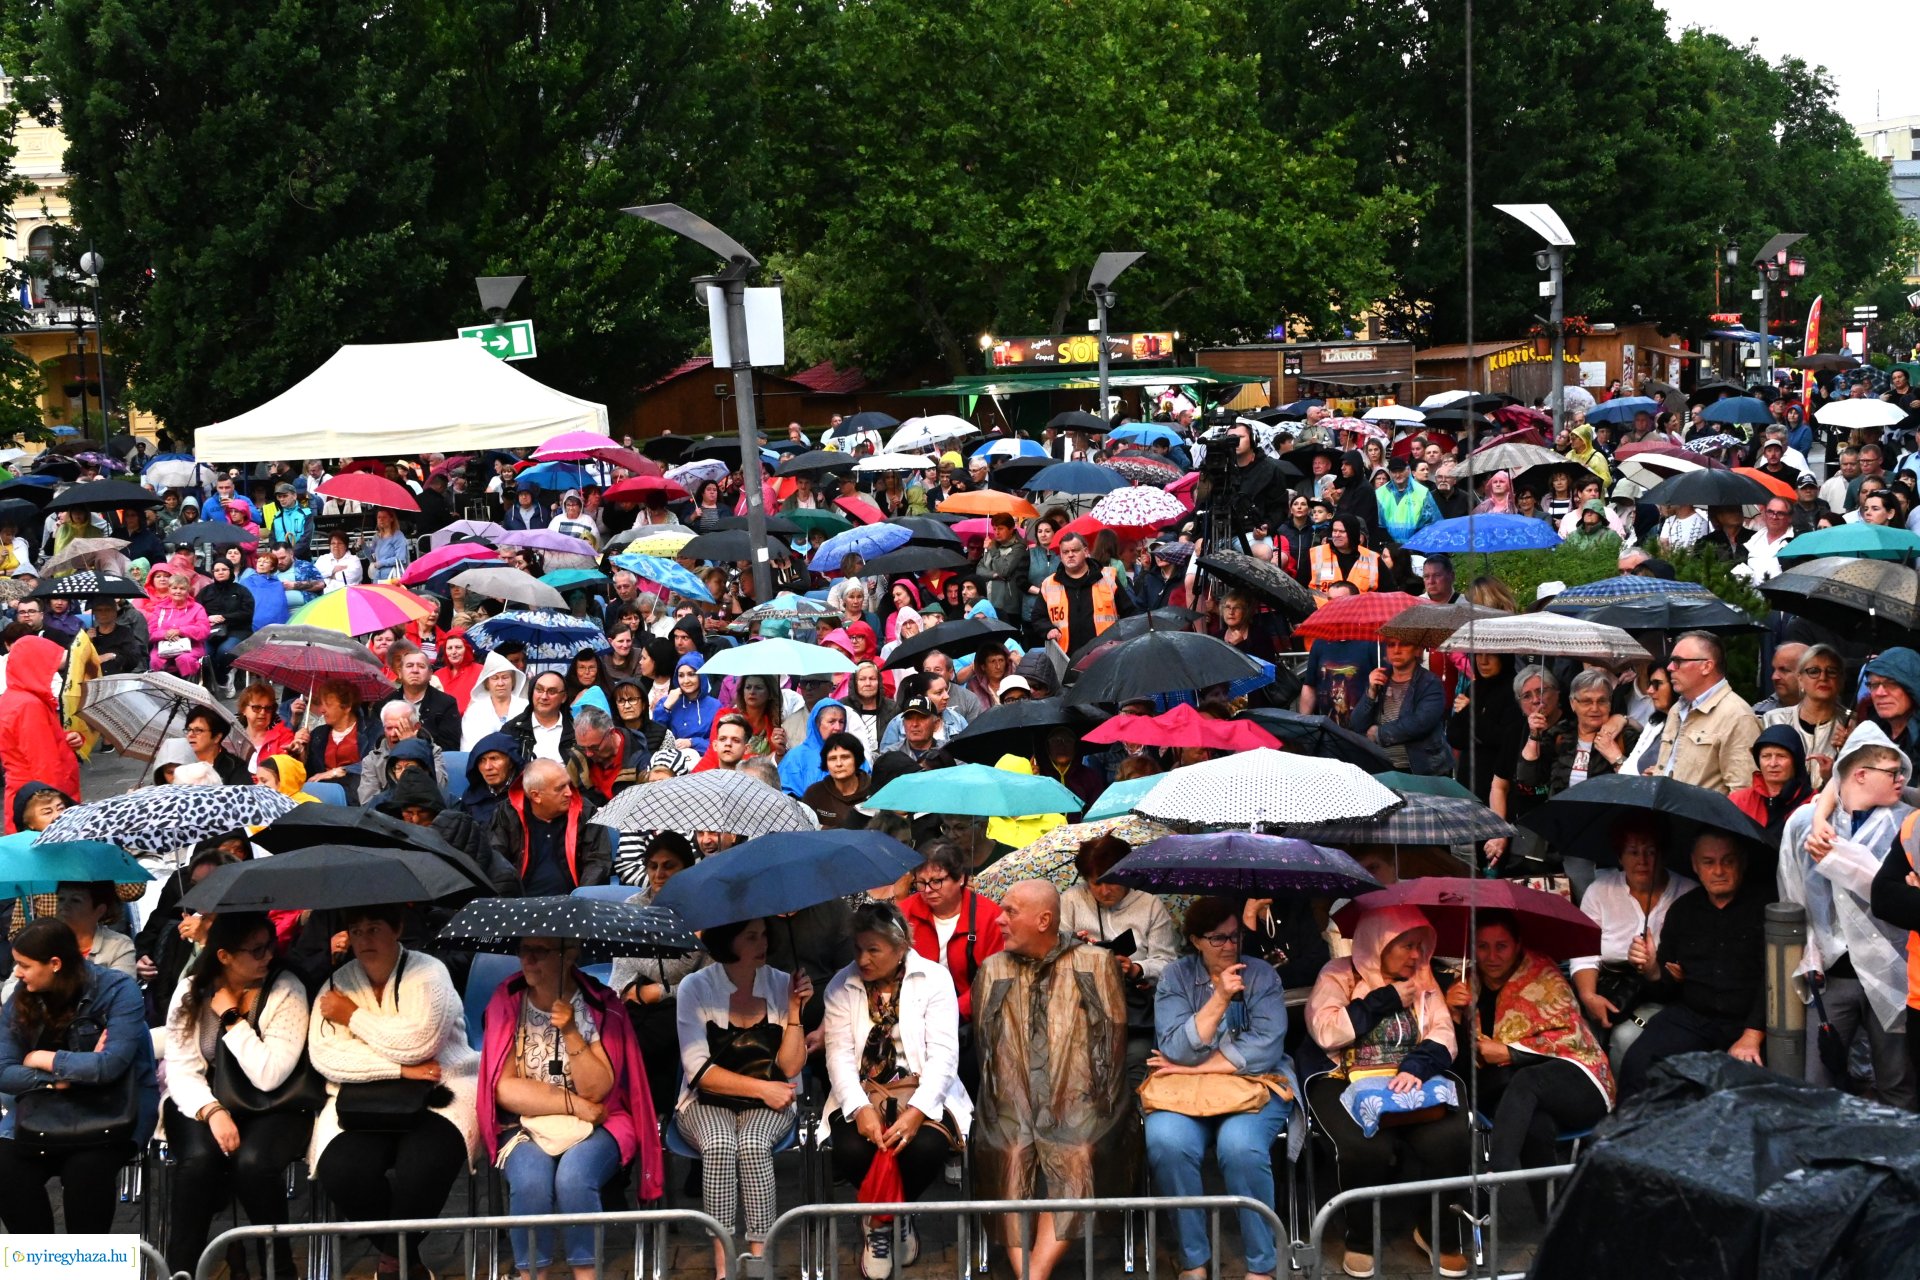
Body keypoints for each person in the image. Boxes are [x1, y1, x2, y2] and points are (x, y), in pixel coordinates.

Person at [971, 880, 1133, 1280]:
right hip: (1011, 1097)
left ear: (1044, 920)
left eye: (1010, 911)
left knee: (1076, 1150)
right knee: (1009, 1151)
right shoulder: (992, 969)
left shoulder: (1094, 963)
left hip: (1082, 1096)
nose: (999, 919)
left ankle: (1032, 1275)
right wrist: (1011, 1104)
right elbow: (988, 1055)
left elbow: (1110, 1048)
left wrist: (1088, 1104)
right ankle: (1031, 1274)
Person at [478, 933, 663, 1280]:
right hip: (525, 1123)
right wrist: (572, 1104)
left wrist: (572, 1031)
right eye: (524, 950)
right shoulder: (508, 1000)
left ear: (571, 954)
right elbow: (503, 1089)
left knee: (574, 1178)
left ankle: (585, 1274)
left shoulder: (600, 1003)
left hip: (603, 1122)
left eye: (540, 951)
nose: (528, 959)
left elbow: (600, 1090)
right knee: (531, 1182)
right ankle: (532, 1274)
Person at [309, 904, 478, 1280]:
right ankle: (406, 1259)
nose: (364, 939)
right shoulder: (336, 984)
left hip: (441, 1087)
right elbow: (326, 1056)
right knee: (341, 1170)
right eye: (356, 931)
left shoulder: (429, 972)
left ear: (397, 928)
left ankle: (392, 1261)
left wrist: (352, 1016)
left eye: (373, 928)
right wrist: (399, 1069)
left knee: (422, 1167)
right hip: (361, 1100)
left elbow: (419, 1041)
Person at [1303, 904, 1471, 1278]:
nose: (1415, 955)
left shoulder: (1424, 977)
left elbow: (1443, 1031)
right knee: (1366, 1147)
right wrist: (1387, 999)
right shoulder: (1339, 974)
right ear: (1378, 943)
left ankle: (1436, 1232)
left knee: (1451, 1137)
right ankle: (1360, 1239)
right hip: (1344, 1080)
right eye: (1405, 945)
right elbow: (1326, 1031)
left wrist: (1416, 1065)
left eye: (1419, 945)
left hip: (1411, 1080)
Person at [1142, 896, 1299, 1280]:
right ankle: (1194, 1259)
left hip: (1255, 1084)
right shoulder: (1175, 978)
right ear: (1195, 940)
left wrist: (1194, 1069)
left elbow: (1264, 1048)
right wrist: (1219, 998)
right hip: (1184, 1089)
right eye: (1217, 939)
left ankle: (1262, 1264)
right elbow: (1175, 1045)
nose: (1229, 946)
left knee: (1239, 1148)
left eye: (1233, 937)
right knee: (1166, 1141)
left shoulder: (1263, 975)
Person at [822, 902, 971, 1279]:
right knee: (853, 1148)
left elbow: (943, 1057)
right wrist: (859, 1109)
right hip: (863, 1088)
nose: (863, 959)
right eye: (858, 949)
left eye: (874, 950)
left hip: (922, 1087)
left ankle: (894, 1213)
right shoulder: (842, 984)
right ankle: (880, 1224)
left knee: (923, 1146)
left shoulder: (934, 979)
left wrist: (917, 1111)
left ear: (901, 946)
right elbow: (838, 1057)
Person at [160, 912, 315, 1275]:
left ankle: (278, 1269)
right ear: (224, 955)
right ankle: (182, 1270)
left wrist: (231, 1018)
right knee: (198, 1162)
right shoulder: (190, 989)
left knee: (252, 1164)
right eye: (256, 950)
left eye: (270, 946)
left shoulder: (286, 987)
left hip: (275, 1104)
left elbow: (269, 1074)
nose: (268, 957)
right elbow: (181, 1068)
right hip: (201, 1099)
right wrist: (212, 1111)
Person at [1778, 728, 1916, 1108]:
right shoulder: (1805, 823)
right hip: (1831, 974)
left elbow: (1888, 896)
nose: (1902, 779)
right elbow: (1792, 893)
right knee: (1818, 1078)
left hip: (1894, 973)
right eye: (1892, 772)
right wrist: (1808, 953)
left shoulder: (1908, 822)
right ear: (1860, 774)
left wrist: (1837, 856)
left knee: (1896, 1080)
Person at [0, 918, 160, 1235]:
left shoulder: (117, 990)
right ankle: (41, 1265)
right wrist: (54, 1079)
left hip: (112, 1110)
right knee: (5, 1169)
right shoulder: (23, 994)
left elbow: (109, 1067)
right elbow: (3, 1072)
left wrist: (45, 1058)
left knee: (85, 1173)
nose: (16, 973)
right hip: (41, 1109)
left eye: (24, 965)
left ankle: (85, 1266)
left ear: (55, 964)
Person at [1444, 913, 1612, 1208]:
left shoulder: (1543, 975)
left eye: (1502, 946)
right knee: (1536, 1126)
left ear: (1518, 945)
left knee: (1527, 1079)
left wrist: (1511, 1053)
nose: (1492, 956)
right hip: (1520, 1099)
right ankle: (1552, 1223)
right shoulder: (1466, 986)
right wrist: (1455, 1016)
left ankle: (1487, 1188)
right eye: (1482, 947)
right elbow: (1463, 1065)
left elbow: (1568, 1039)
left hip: (1579, 1080)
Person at [674, 917, 813, 1274]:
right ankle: (724, 1265)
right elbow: (698, 1072)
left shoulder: (782, 984)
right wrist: (762, 1089)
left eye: (764, 934)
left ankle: (758, 1261)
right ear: (727, 941)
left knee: (752, 1144)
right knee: (720, 1144)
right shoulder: (695, 986)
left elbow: (791, 1066)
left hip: (773, 1095)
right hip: (707, 1100)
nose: (761, 942)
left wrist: (795, 1012)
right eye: (751, 936)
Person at [1618, 834, 1768, 1094]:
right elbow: (1665, 990)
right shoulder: (1683, 910)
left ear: (1742, 862)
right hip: (1692, 1016)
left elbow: (1776, 980)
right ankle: (1634, 1133)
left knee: (1743, 1086)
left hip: (1747, 1020)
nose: (1718, 871)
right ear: (1695, 866)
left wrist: (1752, 1034)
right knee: (1639, 1062)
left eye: (1727, 861)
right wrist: (1653, 969)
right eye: (1708, 862)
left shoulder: (1767, 906)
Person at [1059, 834, 1178, 1086]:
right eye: (1096, 883)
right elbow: (1053, 952)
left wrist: (1137, 968)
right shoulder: (1071, 900)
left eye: (1112, 881)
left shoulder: (1149, 905)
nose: (1104, 890)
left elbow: (1168, 961)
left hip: (1135, 1013)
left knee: (1135, 1068)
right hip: (1084, 1011)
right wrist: (1071, 945)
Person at [1569, 816, 1698, 1038]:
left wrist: (1662, 969)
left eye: (1650, 851)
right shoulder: (1600, 890)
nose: (1642, 861)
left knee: (1627, 1037)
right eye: (1633, 852)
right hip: (1608, 985)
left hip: (1662, 993)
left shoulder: (1687, 892)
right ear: (1620, 856)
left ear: (1663, 854)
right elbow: (1584, 952)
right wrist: (1589, 996)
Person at [1648, 631, 1759, 794]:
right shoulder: (1677, 709)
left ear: (1706, 666)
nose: (1670, 667)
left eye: (1678, 661)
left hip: (1704, 819)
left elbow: (1744, 793)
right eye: (1672, 661)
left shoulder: (1738, 715)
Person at [489, 759, 613, 894]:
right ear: (536, 796)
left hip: (572, 905)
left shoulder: (585, 811)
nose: (569, 793)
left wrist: (580, 899)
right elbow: (497, 863)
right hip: (521, 904)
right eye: (560, 788)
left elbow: (597, 863)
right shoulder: (507, 814)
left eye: (568, 785)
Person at [0, 634, 83, 831]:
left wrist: (66, 739)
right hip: (41, 802)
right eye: (48, 667)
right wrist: (61, 807)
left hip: (27, 796)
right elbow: (45, 764)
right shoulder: (29, 705)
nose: (53, 673)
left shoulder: (15, 698)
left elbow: (30, 745)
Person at [1351, 635, 1451, 776]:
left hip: (1421, 771)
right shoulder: (1380, 679)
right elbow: (1357, 724)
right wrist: (1371, 692)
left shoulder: (1430, 683)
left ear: (1417, 650)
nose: (1397, 650)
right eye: (1391, 644)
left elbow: (1420, 723)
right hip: (1383, 768)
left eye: (1404, 644)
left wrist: (1379, 733)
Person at [1036, 530, 1135, 654]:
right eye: (1065, 552)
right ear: (1060, 555)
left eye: (1075, 550)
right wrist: (1048, 629)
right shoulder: (1049, 583)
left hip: (1105, 653)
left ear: (1086, 551)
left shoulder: (1108, 577)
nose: (1070, 555)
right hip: (1066, 655)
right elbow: (1038, 617)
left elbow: (1129, 613)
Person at [1763, 644, 1849, 787]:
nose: (1823, 677)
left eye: (1832, 671)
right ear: (1800, 678)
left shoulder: (1851, 724)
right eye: (1814, 671)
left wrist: (1850, 748)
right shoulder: (1774, 719)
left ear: (1840, 680)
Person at [382, 644, 463, 752]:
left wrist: (414, 743)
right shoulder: (385, 704)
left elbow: (450, 748)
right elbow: (377, 743)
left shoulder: (446, 704)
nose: (415, 670)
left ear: (430, 674)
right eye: (409, 666)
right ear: (400, 673)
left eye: (421, 666)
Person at [52, 881, 138, 977]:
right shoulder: (46, 942)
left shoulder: (119, 947)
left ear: (100, 910)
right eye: (61, 899)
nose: (64, 906)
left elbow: (122, 989)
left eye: (76, 900)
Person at [197, 557, 256, 694]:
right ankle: (211, 682)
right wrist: (207, 618)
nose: (220, 572)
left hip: (237, 630)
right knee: (205, 654)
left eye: (224, 569)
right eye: (217, 570)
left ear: (231, 571)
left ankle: (225, 678)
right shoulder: (205, 592)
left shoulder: (241, 591)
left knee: (225, 651)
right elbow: (196, 611)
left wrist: (225, 618)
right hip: (211, 630)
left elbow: (247, 613)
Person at [800, 730, 873, 829]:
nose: (839, 764)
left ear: (857, 759)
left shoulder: (874, 791)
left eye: (845, 757)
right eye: (832, 758)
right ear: (826, 763)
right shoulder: (814, 794)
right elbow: (804, 829)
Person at [148, 570, 213, 678]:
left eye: (182, 588)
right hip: (163, 646)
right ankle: (160, 690)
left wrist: (181, 631)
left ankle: (189, 690)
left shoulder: (197, 608)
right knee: (155, 660)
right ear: (169, 590)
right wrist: (165, 634)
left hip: (191, 647)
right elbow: (150, 631)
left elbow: (204, 630)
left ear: (188, 591)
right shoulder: (160, 608)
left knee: (185, 659)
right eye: (174, 588)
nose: (178, 591)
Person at [462, 650, 530, 751]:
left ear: (513, 681)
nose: (500, 683)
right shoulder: (475, 711)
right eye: (495, 678)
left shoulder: (525, 707)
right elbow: (469, 746)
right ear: (487, 683)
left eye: (505, 677)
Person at [661, 653, 721, 753]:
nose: (686, 681)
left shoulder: (715, 706)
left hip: (704, 761)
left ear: (701, 676)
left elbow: (718, 743)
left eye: (691, 674)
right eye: (681, 675)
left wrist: (692, 742)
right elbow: (654, 737)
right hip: (670, 759)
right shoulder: (667, 701)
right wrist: (665, 708)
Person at [1308, 513, 1382, 593]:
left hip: (1358, 605)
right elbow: (1300, 589)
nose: (1337, 535)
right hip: (1322, 606)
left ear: (1352, 533)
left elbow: (1389, 592)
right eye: (1334, 531)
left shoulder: (1373, 559)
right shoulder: (1315, 554)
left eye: (1342, 531)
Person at [181, 706, 251, 785]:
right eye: (188, 729)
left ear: (217, 737)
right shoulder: (181, 763)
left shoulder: (235, 768)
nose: (190, 735)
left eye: (198, 730)